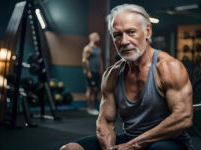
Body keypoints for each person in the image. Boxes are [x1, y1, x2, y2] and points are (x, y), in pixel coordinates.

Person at [60, 4, 193, 150]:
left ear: (147, 31)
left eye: (131, 32)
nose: (124, 41)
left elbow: (183, 118)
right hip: (130, 138)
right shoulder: (112, 74)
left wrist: (133, 145)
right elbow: (105, 122)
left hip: (166, 140)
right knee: (69, 148)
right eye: (117, 35)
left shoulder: (169, 67)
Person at [82, 32, 103, 115]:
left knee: (96, 90)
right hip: (91, 72)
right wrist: (88, 71)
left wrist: (101, 70)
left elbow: (100, 60)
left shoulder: (98, 49)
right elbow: (84, 60)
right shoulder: (88, 48)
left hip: (97, 72)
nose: (99, 37)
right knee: (90, 89)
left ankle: (94, 108)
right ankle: (88, 108)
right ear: (93, 37)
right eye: (97, 36)